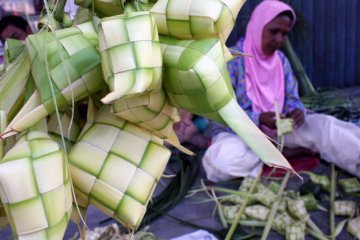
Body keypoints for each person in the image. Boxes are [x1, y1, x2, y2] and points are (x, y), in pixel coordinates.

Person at [202, 0, 360, 182]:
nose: (279, 39)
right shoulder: (232, 61)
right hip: (240, 135)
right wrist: (258, 118)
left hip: (281, 129)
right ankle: (280, 152)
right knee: (222, 162)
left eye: (284, 34)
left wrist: (297, 110)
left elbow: (292, 98)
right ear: (257, 26)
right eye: (273, 31)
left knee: (327, 127)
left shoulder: (281, 61)